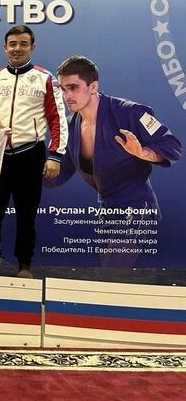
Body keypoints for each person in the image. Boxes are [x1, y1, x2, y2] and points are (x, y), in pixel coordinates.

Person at [46, 55, 181, 266]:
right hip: (106, 211)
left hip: (136, 207)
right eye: (62, 89)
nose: (66, 96)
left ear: (93, 87)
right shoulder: (70, 126)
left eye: (73, 87)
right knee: (108, 273)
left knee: (113, 269)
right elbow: (57, 175)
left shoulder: (129, 111)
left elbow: (172, 145)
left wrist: (142, 152)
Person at [0, 25, 68, 278]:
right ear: (5, 48)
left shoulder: (45, 78)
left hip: (30, 153)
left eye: (23, 44)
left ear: (32, 47)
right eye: (12, 44)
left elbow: (57, 118)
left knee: (26, 214)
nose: (17, 49)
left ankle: (24, 265)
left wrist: (55, 155)